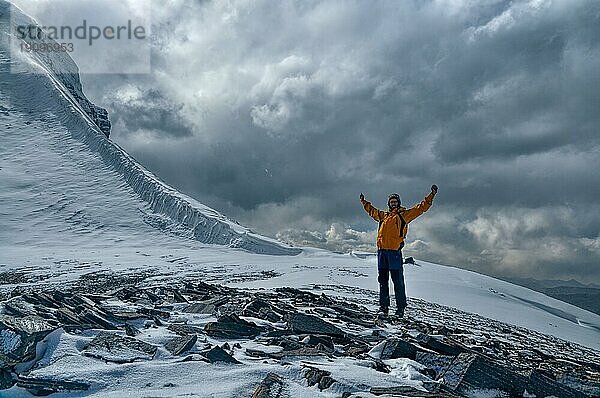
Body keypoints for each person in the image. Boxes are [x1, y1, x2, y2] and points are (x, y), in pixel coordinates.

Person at [359, 185, 438, 317]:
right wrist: (363, 202)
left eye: (395, 201)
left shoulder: (404, 215)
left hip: (394, 253)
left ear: (399, 203)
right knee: (383, 281)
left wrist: (431, 195)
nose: (393, 203)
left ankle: (400, 309)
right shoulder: (383, 216)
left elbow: (421, 208)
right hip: (382, 253)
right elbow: (371, 211)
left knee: (398, 282)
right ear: (389, 204)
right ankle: (383, 307)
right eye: (391, 202)